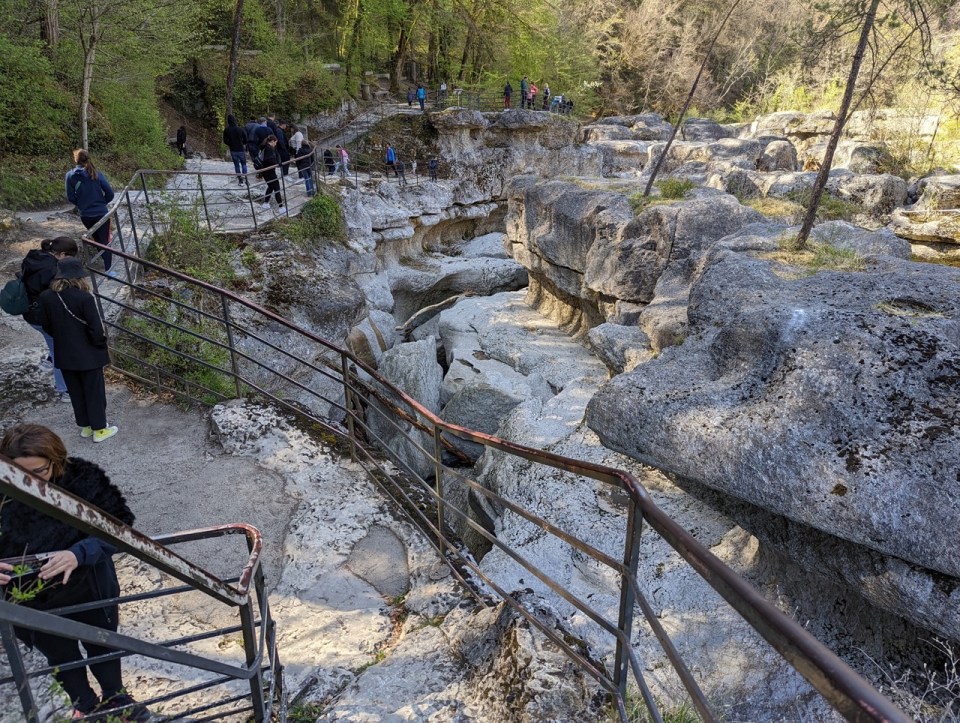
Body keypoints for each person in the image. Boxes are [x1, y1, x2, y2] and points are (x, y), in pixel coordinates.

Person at [0, 423, 150, 721]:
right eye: (20, 474)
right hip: (32, 602)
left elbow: (120, 526)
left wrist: (78, 554)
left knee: (103, 644)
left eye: (39, 472)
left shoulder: (84, 478)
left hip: (89, 586)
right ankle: (86, 704)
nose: (29, 482)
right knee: (60, 657)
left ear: (56, 460)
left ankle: (115, 697)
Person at [37, 258, 118, 443]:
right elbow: (95, 328)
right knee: (94, 391)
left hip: (65, 353)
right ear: (79, 276)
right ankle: (100, 429)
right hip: (88, 353)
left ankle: (86, 427)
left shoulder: (46, 297)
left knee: (76, 391)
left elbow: (46, 325)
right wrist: (99, 343)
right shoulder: (84, 297)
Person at [20, 237, 79, 402]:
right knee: (59, 350)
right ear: (61, 254)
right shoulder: (51, 269)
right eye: (70, 257)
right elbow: (54, 295)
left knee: (54, 343)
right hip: (42, 316)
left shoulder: (35, 257)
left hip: (30, 312)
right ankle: (64, 390)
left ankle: (48, 361)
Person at [65, 149, 116, 278]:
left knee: (97, 240)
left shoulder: (70, 175)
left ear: (75, 159)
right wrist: (102, 203)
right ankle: (109, 271)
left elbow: (70, 196)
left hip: (86, 215)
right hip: (101, 213)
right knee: (105, 241)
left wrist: (82, 204)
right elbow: (110, 193)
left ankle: (106, 267)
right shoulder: (97, 173)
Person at [258, 135, 283, 212]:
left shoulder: (267, 147)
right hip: (269, 172)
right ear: (272, 141)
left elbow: (277, 154)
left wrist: (278, 162)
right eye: (275, 142)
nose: (276, 144)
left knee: (270, 186)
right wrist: (276, 163)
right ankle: (281, 207)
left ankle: (266, 203)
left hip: (266, 171)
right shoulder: (268, 149)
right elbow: (269, 160)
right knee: (277, 188)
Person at [222, 114, 248, 185]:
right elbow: (245, 139)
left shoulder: (226, 130)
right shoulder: (240, 129)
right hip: (241, 149)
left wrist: (230, 144)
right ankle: (245, 178)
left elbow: (225, 140)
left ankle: (240, 180)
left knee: (236, 165)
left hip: (233, 149)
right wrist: (243, 143)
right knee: (244, 164)